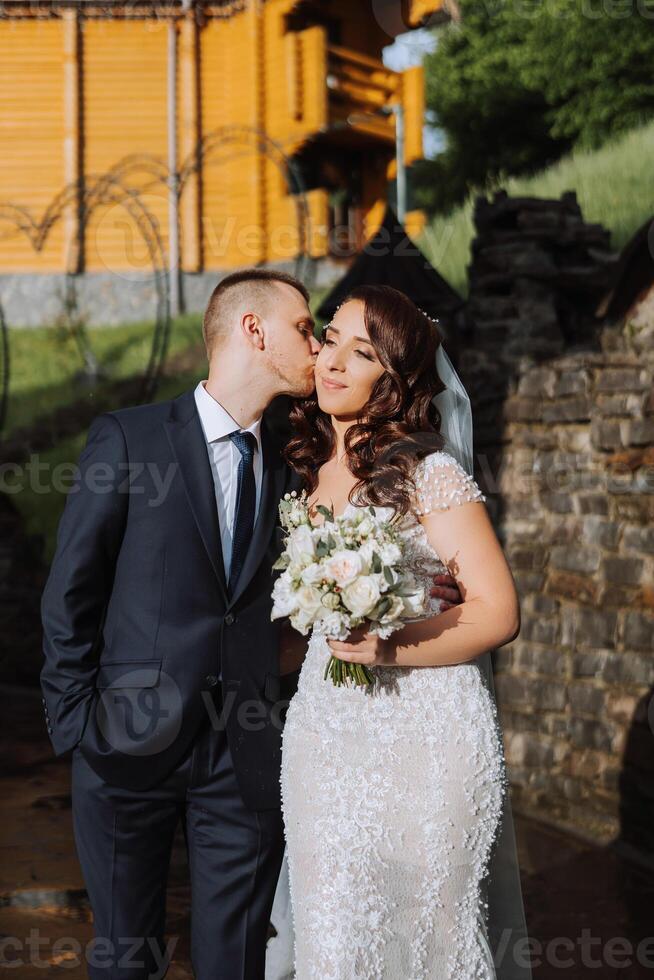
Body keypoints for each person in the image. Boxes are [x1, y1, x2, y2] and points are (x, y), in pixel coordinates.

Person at [39, 268, 461, 980]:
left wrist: (417, 586)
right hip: (123, 750)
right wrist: (79, 728)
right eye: (306, 330)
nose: (319, 348)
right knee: (124, 959)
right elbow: (69, 594)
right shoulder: (129, 440)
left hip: (244, 754)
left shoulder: (299, 459)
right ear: (253, 331)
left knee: (236, 961)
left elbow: (341, 563)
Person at [278, 283, 531, 979]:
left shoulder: (427, 472)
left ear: (392, 382)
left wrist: (391, 645)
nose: (332, 362)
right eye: (331, 339)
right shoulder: (302, 467)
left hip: (429, 737)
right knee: (333, 934)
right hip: (325, 732)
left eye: (360, 354)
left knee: (429, 934)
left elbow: (497, 611)